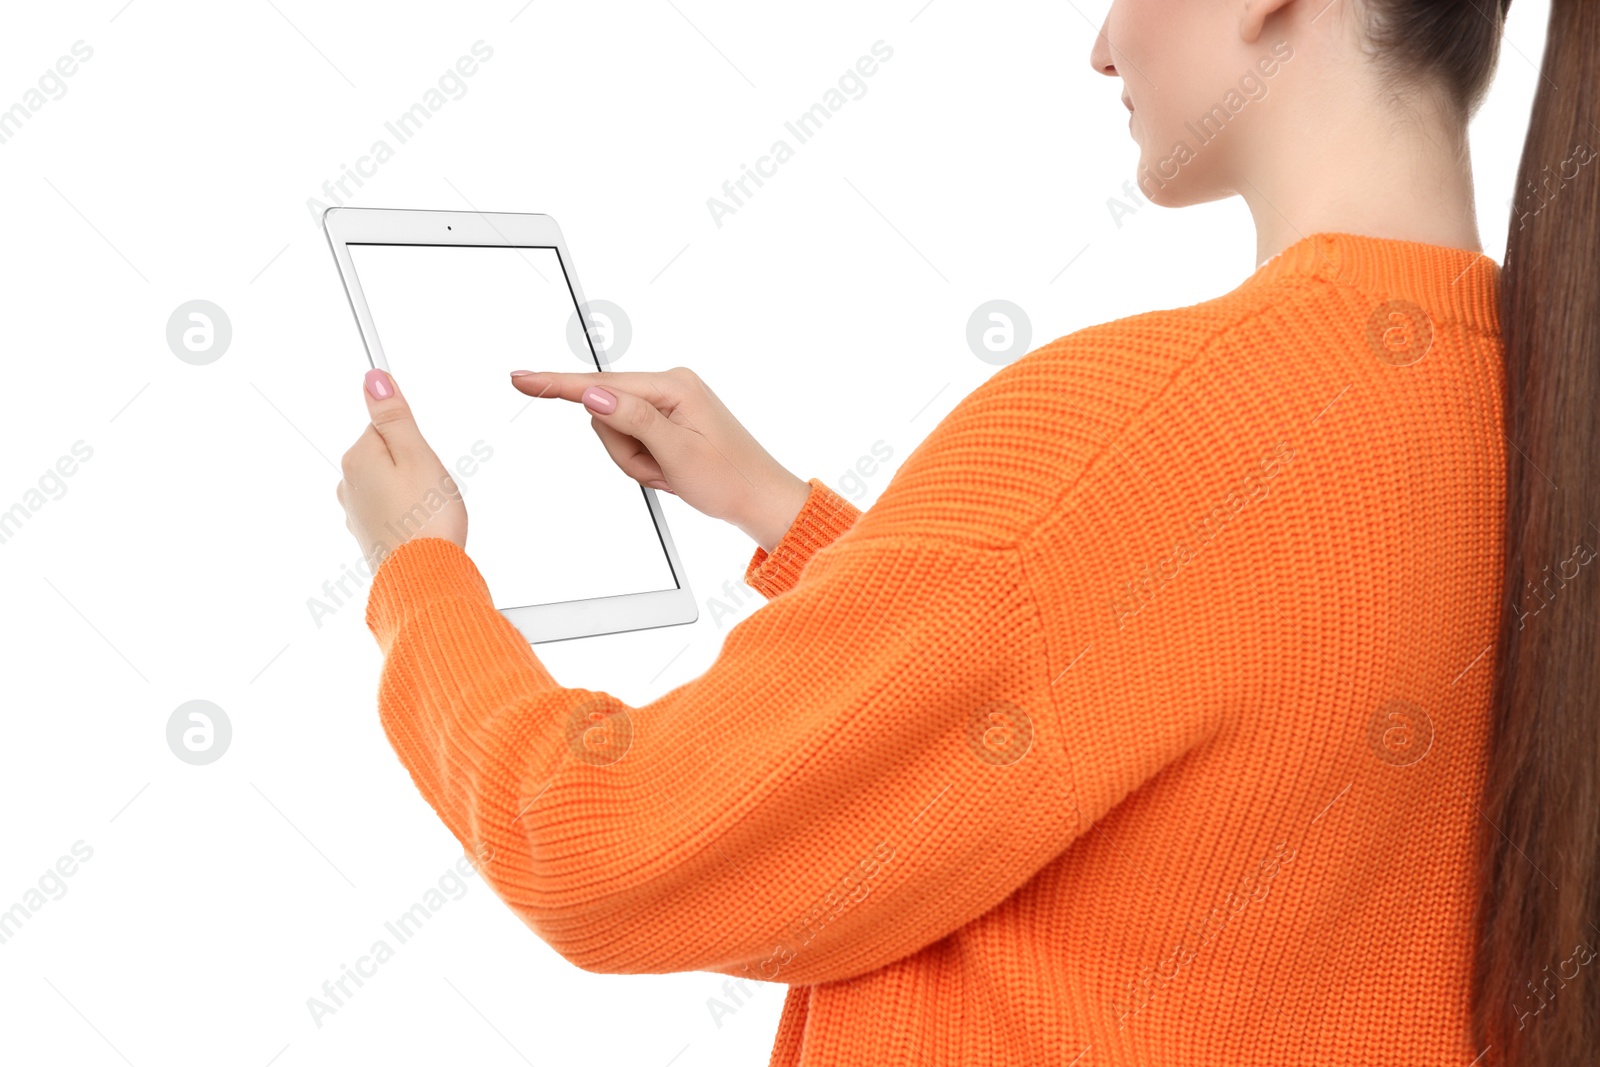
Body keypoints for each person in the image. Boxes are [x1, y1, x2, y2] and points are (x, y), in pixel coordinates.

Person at [334, 0, 1599, 1063]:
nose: (1102, 47)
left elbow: (606, 846)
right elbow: (1165, 676)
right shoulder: (1537, 418)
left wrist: (419, 571)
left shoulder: (1133, 424)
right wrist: (789, 517)